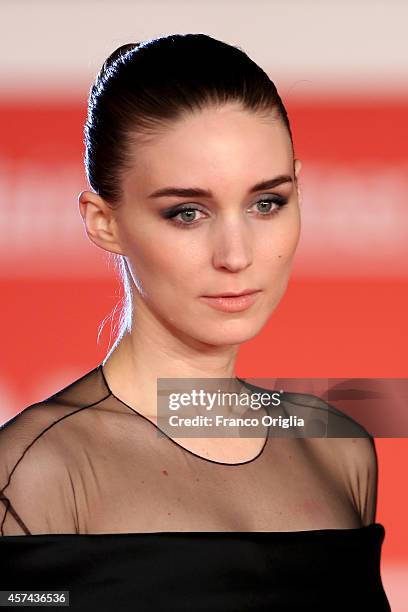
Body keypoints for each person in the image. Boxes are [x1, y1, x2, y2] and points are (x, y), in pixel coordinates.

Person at [0, 33, 391, 611]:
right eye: (187, 212)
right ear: (104, 222)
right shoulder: (38, 470)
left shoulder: (339, 450)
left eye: (267, 203)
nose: (236, 254)